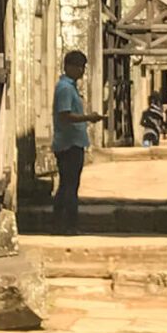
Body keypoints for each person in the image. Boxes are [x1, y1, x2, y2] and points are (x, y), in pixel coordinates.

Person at [52, 50, 104, 233]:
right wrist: (88, 118)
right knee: (70, 186)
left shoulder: (70, 86)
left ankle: (60, 223)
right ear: (68, 67)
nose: (81, 71)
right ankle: (68, 225)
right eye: (78, 67)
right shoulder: (65, 88)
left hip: (72, 142)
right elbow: (65, 115)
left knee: (67, 185)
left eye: (83, 67)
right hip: (69, 143)